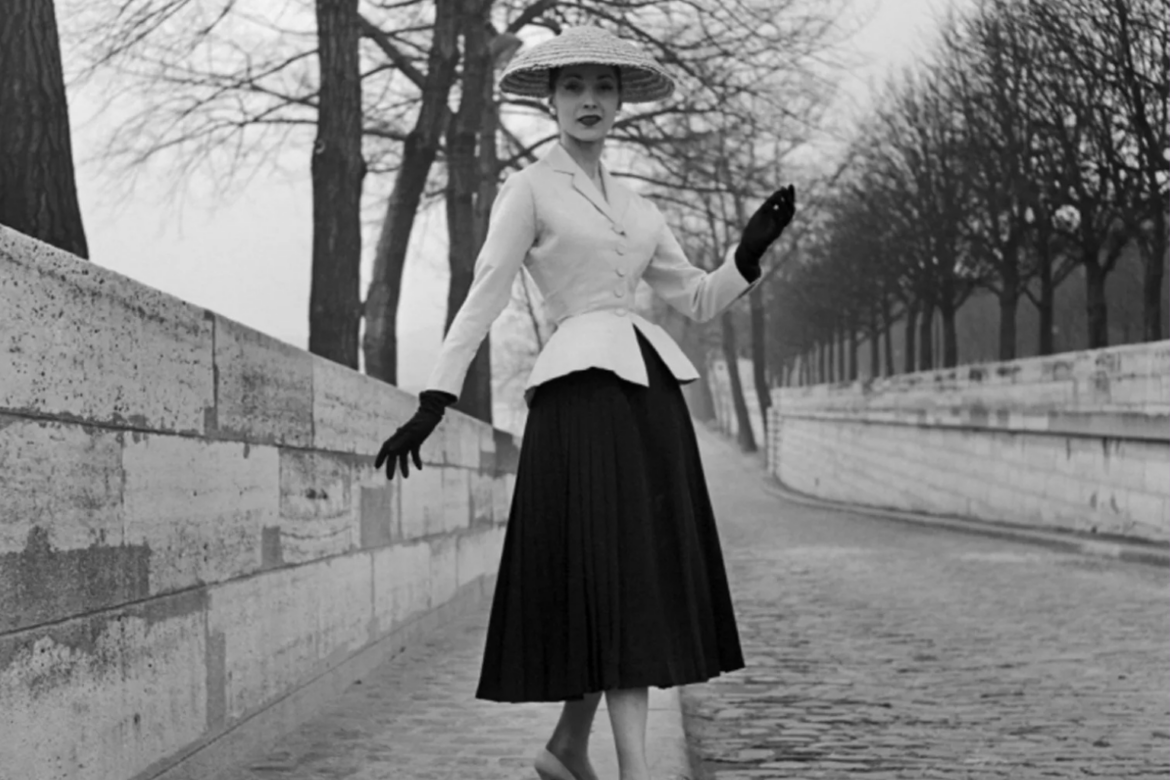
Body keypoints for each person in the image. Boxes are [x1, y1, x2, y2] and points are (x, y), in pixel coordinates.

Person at [374, 25, 795, 780]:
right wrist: (434, 398)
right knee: (610, 576)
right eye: (573, 87)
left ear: (621, 101)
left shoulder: (638, 205)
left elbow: (697, 299)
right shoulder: (529, 189)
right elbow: (485, 294)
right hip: (578, 400)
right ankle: (630, 771)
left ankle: (567, 749)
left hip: (647, 401)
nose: (589, 100)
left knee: (625, 578)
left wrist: (747, 253)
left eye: (604, 87)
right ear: (551, 101)